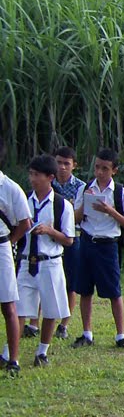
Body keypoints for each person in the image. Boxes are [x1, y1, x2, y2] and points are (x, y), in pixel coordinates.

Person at [12, 155, 75, 368]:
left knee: (51, 309)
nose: (32, 179)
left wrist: (49, 230)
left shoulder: (61, 205)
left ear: (50, 177)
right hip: (26, 261)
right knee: (20, 309)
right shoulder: (24, 200)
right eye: (30, 174)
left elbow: (68, 239)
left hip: (50, 262)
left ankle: (42, 351)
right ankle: (10, 354)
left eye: (36, 175)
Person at [72, 148, 124, 351]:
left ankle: (120, 335)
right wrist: (86, 203)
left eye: (105, 168)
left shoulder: (120, 193)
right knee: (84, 289)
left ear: (114, 170)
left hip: (108, 245)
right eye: (97, 167)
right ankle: (86, 333)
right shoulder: (84, 189)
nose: (99, 172)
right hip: (87, 241)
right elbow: (73, 219)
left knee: (113, 291)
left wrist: (110, 210)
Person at [0, 147, 33, 377]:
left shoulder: (10, 188)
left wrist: (11, 241)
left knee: (9, 305)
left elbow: (25, 222)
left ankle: (13, 359)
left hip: (1, 246)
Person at [50, 146, 87, 339]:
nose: (62, 167)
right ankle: (34, 322)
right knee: (45, 278)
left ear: (74, 165)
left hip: (74, 238)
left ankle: (64, 324)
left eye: (67, 163)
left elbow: (78, 217)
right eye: (59, 162)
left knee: (71, 282)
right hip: (49, 237)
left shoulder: (81, 186)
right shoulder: (48, 182)